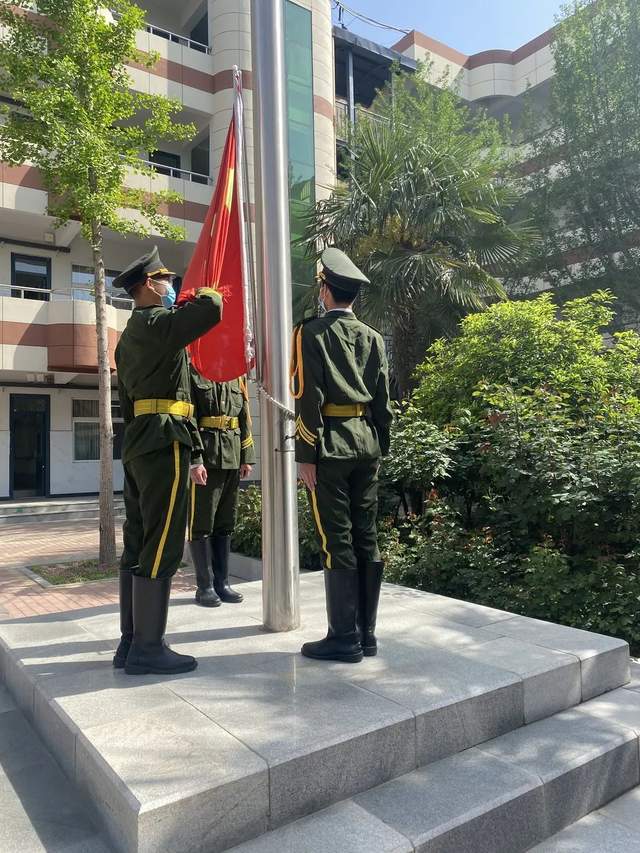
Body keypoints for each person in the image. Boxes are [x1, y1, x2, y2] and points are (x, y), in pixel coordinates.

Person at [112, 246, 223, 676]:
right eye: (164, 280)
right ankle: (148, 648)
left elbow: (126, 400)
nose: (170, 286)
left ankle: (130, 642)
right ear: (146, 286)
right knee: (163, 539)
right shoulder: (157, 322)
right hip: (164, 440)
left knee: (139, 539)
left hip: (140, 439)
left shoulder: (128, 336)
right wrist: (202, 287)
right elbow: (210, 310)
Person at [291, 247, 393, 663]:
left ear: (325, 291)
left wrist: (305, 454)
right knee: (365, 535)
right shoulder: (373, 337)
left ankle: (343, 638)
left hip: (329, 445)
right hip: (366, 442)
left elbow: (307, 396)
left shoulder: (311, 333)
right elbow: (383, 400)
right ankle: (366, 636)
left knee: (337, 541)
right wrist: (379, 446)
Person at [187, 366, 255, 606]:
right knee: (202, 523)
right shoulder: (194, 370)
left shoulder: (236, 374)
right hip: (208, 456)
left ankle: (222, 583)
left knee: (225, 523)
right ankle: (204, 586)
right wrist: (195, 460)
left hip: (233, 456)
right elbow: (189, 418)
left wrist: (247, 455)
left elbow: (243, 416)